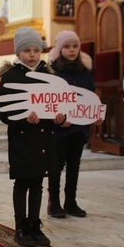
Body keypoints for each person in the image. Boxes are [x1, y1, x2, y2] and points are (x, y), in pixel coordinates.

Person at [0, 27, 66, 247]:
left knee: (38, 182)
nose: (33, 55)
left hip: (44, 139)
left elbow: (58, 105)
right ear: (18, 53)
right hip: (23, 139)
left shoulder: (48, 76)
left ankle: (35, 224)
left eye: (36, 50)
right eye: (27, 50)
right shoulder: (10, 77)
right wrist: (25, 118)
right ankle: (21, 226)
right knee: (23, 182)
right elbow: (2, 110)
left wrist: (59, 117)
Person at [47, 30, 96, 218]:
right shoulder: (53, 72)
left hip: (79, 127)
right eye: (67, 47)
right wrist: (57, 117)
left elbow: (91, 95)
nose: (71, 50)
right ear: (60, 50)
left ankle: (71, 201)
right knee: (56, 166)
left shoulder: (85, 72)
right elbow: (50, 99)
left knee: (74, 165)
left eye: (75, 46)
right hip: (60, 128)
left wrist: (95, 112)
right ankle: (55, 203)